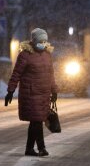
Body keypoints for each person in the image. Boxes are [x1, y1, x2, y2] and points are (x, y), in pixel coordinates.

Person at [5, 28, 58, 157]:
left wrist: (54, 90)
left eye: (45, 41)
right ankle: (42, 148)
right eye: (40, 41)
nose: (43, 43)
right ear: (34, 41)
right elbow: (16, 73)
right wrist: (10, 90)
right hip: (31, 94)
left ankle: (29, 149)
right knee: (37, 121)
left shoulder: (47, 55)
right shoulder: (25, 55)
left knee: (36, 121)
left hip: (44, 94)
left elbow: (51, 75)